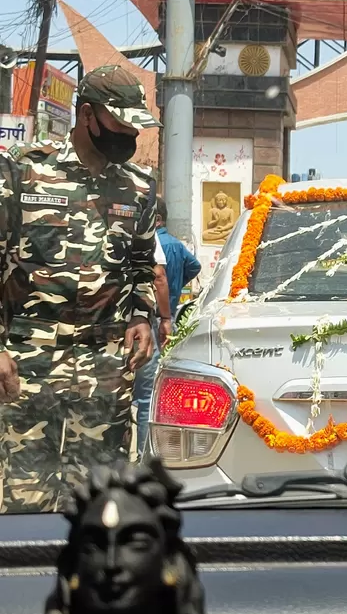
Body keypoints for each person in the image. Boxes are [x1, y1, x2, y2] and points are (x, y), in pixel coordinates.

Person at [0, 63, 159, 513]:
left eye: (135, 124)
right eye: (119, 122)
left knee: (99, 504)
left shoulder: (139, 188)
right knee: (24, 498)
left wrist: (142, 316)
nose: (129, 133)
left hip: (105, 369)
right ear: (87, 116)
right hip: (28, 362)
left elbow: (142, 266)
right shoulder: (22, 172)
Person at [132, 198, 201, 455]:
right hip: (155, 318)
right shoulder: (172, 244)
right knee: (149, 395)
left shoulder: (130, 236)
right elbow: (189, 268)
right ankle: (144, 457)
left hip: (124, 320)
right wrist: (168, 311)